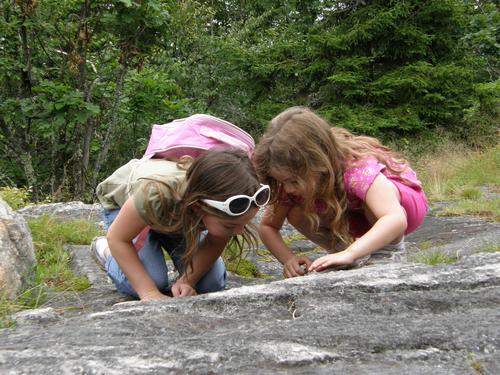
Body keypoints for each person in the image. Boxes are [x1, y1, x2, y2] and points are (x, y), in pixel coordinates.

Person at [252, 106, 428, 277]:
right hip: (353, 212)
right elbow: (268, 226)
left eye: (293, 181)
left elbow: (395, 218)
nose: (289, 188)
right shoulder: (291, 180)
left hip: (402, 209)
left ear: (317, 161)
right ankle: (340, 252)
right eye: (283, 182)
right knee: (295, 210)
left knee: (376, 196)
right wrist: (288, 259)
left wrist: (353, 251)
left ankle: (389, 250)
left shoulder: (356, 168)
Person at [92, 148, 271, 300]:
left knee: (211, 283)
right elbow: (119, 238)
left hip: (177, 218)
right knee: (152, 282)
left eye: (243, 224)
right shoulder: (156, 192)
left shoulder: (230, 207)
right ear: (200, 207)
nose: (239, 232)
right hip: (127, 208)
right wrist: (149, 292)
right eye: (230, 227)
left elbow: (215, 240)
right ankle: (105, 251)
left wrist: (187, 281)